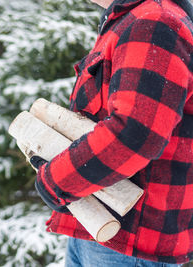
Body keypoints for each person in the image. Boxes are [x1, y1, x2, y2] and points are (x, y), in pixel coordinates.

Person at [29, 0, 193, 266]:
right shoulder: (132, 21)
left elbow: (135, 135)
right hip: (98, 229)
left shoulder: (154, 22)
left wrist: (54, 181)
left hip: (129, 243)